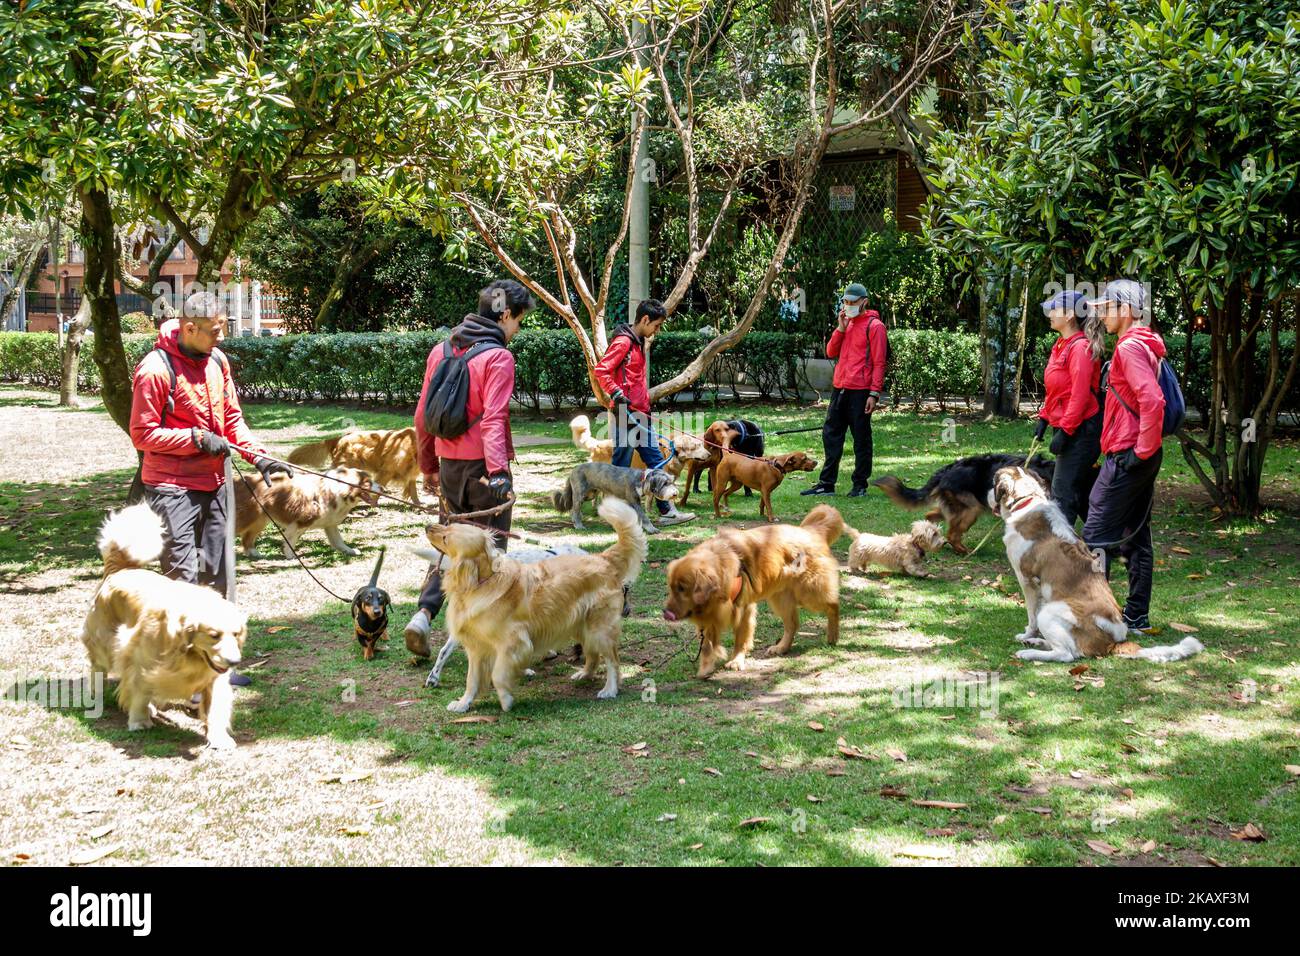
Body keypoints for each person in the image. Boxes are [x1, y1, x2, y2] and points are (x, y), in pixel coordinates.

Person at [129, 292, 291, 687]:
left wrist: (259, 457)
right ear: (189, 328)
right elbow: (143, 433)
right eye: (215, 330)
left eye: (224, 328)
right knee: (181, 577)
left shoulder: (218, 361)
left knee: (217, 574)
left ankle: (216, 670)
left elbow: (232, 419)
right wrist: (195, 439)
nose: (221, 337)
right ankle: (180, 674)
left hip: (216, 482)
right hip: (171, 486)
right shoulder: (155, 369)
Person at [404, 280, 531, 656]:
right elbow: (494, 419)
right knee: (490, 554)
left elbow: (422, 416)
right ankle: (489, 637)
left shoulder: (441, 349)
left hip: (448, 467)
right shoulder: (498, 357)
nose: (517, 330)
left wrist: (427, 465)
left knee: (450, 545)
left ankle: (424, 615)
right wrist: (499, 475)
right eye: (519, 321)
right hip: (483, 472)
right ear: (506, 314)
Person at [1081, 279, 1167, 636]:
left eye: (1109, 307)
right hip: (1139, 453)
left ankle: (1098, 619)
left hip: (1129, 454)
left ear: (1127, 310)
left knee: (1094, 534)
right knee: (1136, 537)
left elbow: (1153, 402)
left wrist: (1139, 451)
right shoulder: (1146, 344)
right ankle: (1136, 617)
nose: (1102, 313)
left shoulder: (1130, 348)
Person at [592, 298, 695, 526]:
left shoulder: (638, 341)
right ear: (645, 319)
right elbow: (601, 370)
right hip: (625, 414)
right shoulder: (623, 342)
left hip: (640, 413)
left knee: (656, 462)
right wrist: (615, 392)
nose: (657, 331)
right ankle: (615, 514)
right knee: (621, 465)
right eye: (656, 325)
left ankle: (667, 511)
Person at [802, 282, 887, 498]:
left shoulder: (875, 326)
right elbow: (830, 352)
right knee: (831, 435)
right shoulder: (846, 324)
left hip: (861, 392)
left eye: (853, 302)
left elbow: (879, 363)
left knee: (861, 440)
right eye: (845, 302)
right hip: (840, 388)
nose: (848, 306)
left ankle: (860, 485)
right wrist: (840, 328)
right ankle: (826, 484)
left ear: (864, 302)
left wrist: (874, 393)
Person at [1034, 289, 1103, 524]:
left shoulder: (1080, 348)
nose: (1049, 314)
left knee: (1062, 492)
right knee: (1078, 489)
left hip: (1082, 431)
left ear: (1070, 314)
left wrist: (1065, 431)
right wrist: (1044, 419)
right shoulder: (1061, 345)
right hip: (1069, 426)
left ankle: (1060, 551)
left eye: (1054, 309)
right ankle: (1111, 541)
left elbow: (1080, 396)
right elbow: (1057, 389)